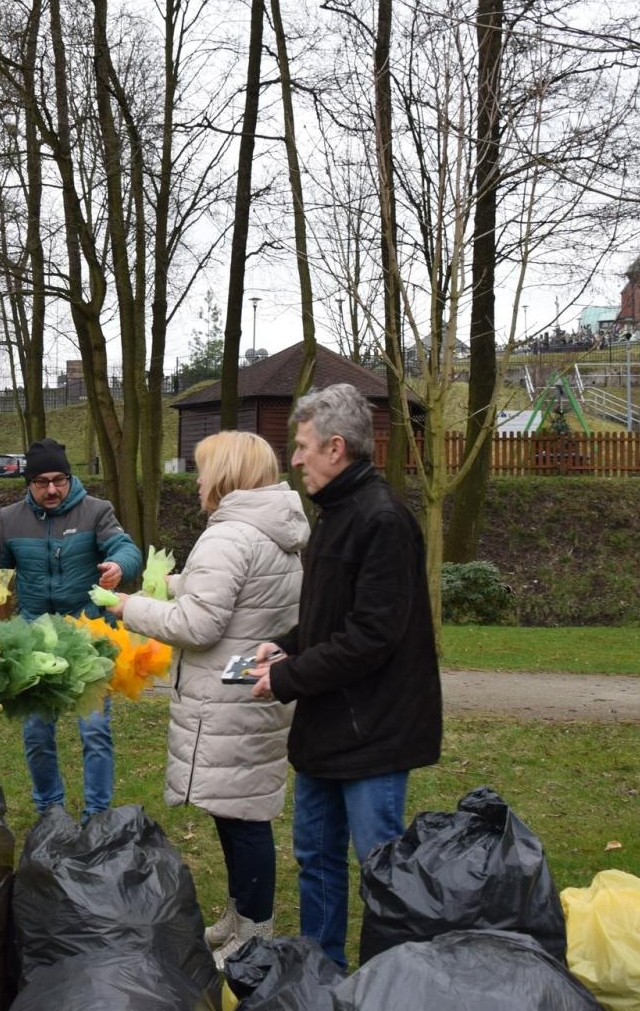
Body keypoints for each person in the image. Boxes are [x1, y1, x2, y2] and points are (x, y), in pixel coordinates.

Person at [249, 382, 442, 969]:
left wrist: (288, 679)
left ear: (337, 448)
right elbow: (329, 620)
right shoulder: (333, 515)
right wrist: (283, 647)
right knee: (317, 857)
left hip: (375, 733)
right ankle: (322, 971)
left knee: (380, 866)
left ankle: (390, 979)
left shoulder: (383, 521)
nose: (296, 459)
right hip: (328, 726)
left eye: (303, 447)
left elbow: (372, 637)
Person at [113, 430, 306, 964]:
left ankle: (255, 933)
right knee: (237, 810)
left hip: (228, 697)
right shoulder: (272, 530)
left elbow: (199, 624)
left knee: (242, 819)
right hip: (249, 683)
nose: (196, 480)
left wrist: (131, 608)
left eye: (202, 469)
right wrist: (171, 584)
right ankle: (242, 913)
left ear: (224, 475)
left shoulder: (228, 536)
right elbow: (237, 594)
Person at [0, 437, 143, 820]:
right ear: (28, 483)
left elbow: (127, 549)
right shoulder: (9, 519)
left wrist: (119, 566)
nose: (52, 489)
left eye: (59, 479)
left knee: (95, 731)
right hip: (35, 641)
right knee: (36, 734)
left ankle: (97, 816)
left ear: (70, 477)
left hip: (88, 638)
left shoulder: (97, 511)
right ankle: (50, 811)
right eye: (42, 482)